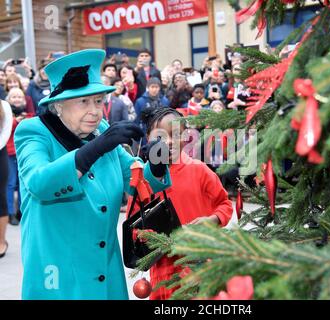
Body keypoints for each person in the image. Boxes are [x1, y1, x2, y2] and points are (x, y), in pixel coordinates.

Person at [14, 49, 171, 299]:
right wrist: (94, 149)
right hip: (58, 276)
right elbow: (39, 182)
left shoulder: (100, 130)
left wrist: (157, 161)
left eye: (98, 101)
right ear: (58, 105)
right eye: (83, 102)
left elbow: (136, 182)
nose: (95, 111)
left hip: (105, 272)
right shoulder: (33, 131)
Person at [131, 107, 233, 300]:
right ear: (148, 137)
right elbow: (133, 223)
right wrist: (148, 237)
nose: (169, 142)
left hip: (202, 265)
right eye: (160, 136)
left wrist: (212, 219)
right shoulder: (143, 178)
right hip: (164, 271)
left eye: (175, 135)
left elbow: (224, 204)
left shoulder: (199, 170)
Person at [6, 88, 34, 225]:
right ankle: (10, 212)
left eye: (19, 96)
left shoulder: (28, 114)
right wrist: (16, 121)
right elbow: (5, 128)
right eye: (13, 97)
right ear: (9, 99)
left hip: (24, 154)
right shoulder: (6, 114)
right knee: (10, 184)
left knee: (23, 183)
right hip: (10, 154)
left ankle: (22, 211)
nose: (16, 99)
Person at [0, 99, 13, 258]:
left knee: (0, 198)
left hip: (0, 154)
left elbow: (5, 134)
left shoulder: (4, 105)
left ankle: (1, 241)